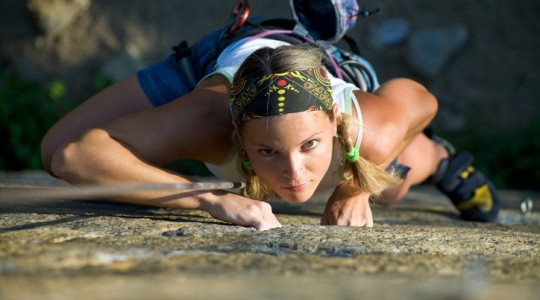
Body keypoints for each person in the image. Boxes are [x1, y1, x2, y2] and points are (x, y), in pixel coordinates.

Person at [40, 0, 500, 230]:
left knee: (390, 187)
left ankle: (441, 158)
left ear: (336, 125)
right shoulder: (208, 121)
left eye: (309, 146)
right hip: (213, 61)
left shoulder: (365, 127)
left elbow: (421, 100)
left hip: (312, 75)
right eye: (267, 151)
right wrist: (205, 199)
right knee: (49, 147)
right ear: (236, 137)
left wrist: (355, 184)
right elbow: (71, 156)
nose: (295, 175)